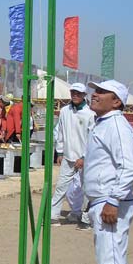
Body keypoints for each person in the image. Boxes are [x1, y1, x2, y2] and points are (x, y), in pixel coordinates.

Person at [80, 80, 133, 264]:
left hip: (109, 202)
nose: (95, 95)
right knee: (110, 259)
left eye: (102, 92)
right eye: (96, 91)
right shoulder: (103, 123)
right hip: (102, 200)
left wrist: (113, 200)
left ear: (116, 101)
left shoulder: (116, 125)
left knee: (111, 262)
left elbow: (128, 167)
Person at [51, 82, 93, 228]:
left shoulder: (90, 113)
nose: (75, 95)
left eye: (78, 93)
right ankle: (53, 215)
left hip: (85, 159)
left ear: (84, 95)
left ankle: (86, 219)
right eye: (73, 92)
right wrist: (60, 151)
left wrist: (84, 157)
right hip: (68, 157)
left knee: (87, 189)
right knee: (61, 187)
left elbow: (92, 138)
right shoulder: (64, 111)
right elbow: (60, 132)